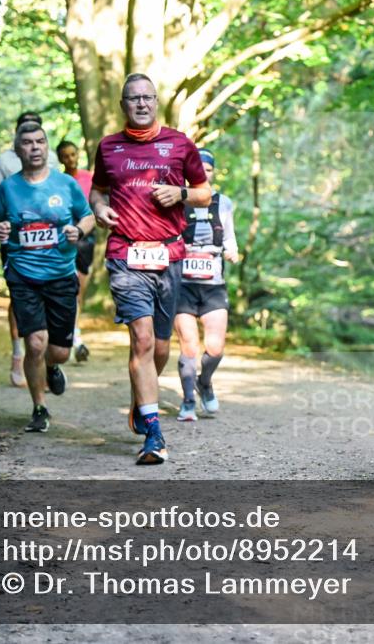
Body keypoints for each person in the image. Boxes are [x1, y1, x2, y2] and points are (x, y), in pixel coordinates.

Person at [90, 72, 212, 464]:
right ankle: (154, 434)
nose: (141, 104)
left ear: (156, 101)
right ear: (123, 105)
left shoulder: (180, 144)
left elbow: (204, 193)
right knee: (141, 341)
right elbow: (98, 189)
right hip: (126, 254)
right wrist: (98, 208)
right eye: (133, 99)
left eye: (147, 98)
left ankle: (140, 399)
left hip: (169, 256)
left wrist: (181, 194)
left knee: (159, 347)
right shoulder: (108, 147)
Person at [0, 121, 94, 433]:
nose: (34, 147)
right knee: (35, 342)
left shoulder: (65, 185)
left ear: (47, 148)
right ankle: (39, 407)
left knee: (57, 350)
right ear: (18, 150)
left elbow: (87, 217)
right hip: (23, 275)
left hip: (60, 274)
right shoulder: (9, 188)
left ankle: (53, 366)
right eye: (28, 143)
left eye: (40, 142)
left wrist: (78, 230)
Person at [0, 111, 61, 387]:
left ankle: (46, 355)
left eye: (38, 134)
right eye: (27, 137)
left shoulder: (51, 160)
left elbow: (60, 193)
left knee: (53, 293)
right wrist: (8, 207)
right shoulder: (4, 161)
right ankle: (19, 354)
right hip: (17, 240)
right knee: (20, 297)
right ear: (18, 139)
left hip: (51, 242)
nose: (34, 145)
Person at [173, 148, 239, 421]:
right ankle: (188, 401)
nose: (203, 173)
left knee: (215, 347)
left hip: (213, 285)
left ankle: (204, 383)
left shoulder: (224, 203)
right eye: (198, 169)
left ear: (213, 173)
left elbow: (230, 238)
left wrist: (232, 252)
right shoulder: (176, 200)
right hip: (183, 285)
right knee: (189, 346)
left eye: (208, 169)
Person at [57, 140, 95, 363]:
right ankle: (73, 339)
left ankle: (74, 336)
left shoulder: (90, 178)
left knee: (78, 291)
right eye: (65, 156)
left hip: (86, 240)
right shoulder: (57, 181)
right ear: (60, 158)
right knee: (67, 291)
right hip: (63, 240)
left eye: (73, 154)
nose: (70, 159)